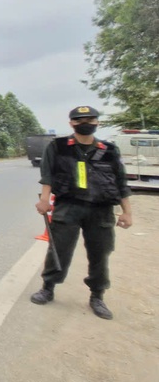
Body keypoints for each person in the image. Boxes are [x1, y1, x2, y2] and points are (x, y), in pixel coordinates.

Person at [30, 105, 132, 320]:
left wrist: (127, 212)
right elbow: (47, 176)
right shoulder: (58, 146)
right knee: (59, 249)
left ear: (97, 122)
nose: (84, 123)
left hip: (101, 210)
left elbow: (121, 183)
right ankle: (48, 288)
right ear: (71, 123)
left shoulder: (109, 150)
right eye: (79, 120)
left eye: (90, 119)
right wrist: (44, 200)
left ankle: (97, 296)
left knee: (100, 253)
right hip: (68, 206)